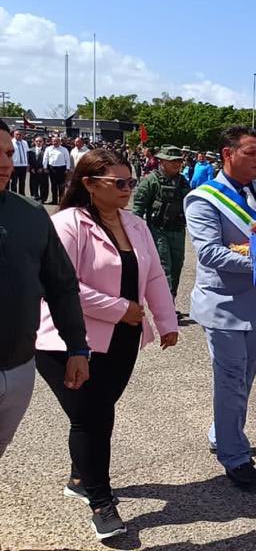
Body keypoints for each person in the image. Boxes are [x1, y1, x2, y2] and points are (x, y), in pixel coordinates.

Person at [35, 148, 178, 539]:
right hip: (66, 341)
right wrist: (119, 309)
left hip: (123, 339)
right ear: (89, 184)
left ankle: (82, 477)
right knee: (91, 417)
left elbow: (154, 278)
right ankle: (101, 501)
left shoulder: (135, 225)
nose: (128, 189)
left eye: (130, 181)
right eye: (119, 183)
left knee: (99, 412)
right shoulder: (68, 224)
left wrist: (166, 321)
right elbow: (61, 286)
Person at [185, 126, 256, 488]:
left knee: (244, 379)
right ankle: (235, 456)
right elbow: (210, 253)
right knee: (230, 380)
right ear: (227, 154)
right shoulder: (202, 199)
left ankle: (222, 433)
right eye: (249, 152)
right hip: (222, 304)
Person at [0, 120, 88, 461]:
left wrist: (78, 347)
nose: (6, 163)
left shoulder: (32, 214)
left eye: (8, 153)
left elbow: (61, 287)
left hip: (19, 369)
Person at [132, 145, 190, 312]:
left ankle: (171, 299)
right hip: (159, 231)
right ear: (162, 161)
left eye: (179, 161)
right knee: (165, 268)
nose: (177, 164)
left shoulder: (183, 181)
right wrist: (136, 234)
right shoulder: (151, 181)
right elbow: (138, 207)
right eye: (172, 161)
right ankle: (167, 307)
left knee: (177, 267)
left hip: (178, 230)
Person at [44, 134, 73, 205]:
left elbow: (67, 160)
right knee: (53, 186)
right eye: (54, 141)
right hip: (52, 168)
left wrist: (67, 168)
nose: (55, 142)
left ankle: (61, 201)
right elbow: (45, 158)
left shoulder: (64, 149)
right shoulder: (48, 149)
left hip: (61, 169)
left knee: (61, 186)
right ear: (51, 141)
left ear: (60, 142)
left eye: (57, 141)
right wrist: (45, 167)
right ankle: (54, 200)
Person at [29, 135, 49, 203]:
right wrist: (31, 168)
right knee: (33, 184)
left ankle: (43, 198)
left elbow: (49, 160)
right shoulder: (30, 150)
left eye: (40, 141)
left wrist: (43, 168)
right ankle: (35, 196)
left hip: (43, 171)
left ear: (43, 142)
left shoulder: (46, 150)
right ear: (34, 142)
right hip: (33, 171)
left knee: (43, 185)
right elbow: (29, 161)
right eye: (37, 141)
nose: (38, 142)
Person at [9, 129, 28, 195]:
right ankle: (14, 196)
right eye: (17, 134)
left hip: (23, 165)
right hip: (15, 166)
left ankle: (22, 195)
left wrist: (27, 164)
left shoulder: (25, 143)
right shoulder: (10, 142)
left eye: (20, 134)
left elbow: (27, 153)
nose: (19, 136)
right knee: (14, 182)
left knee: (22, 182)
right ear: (14, 135)